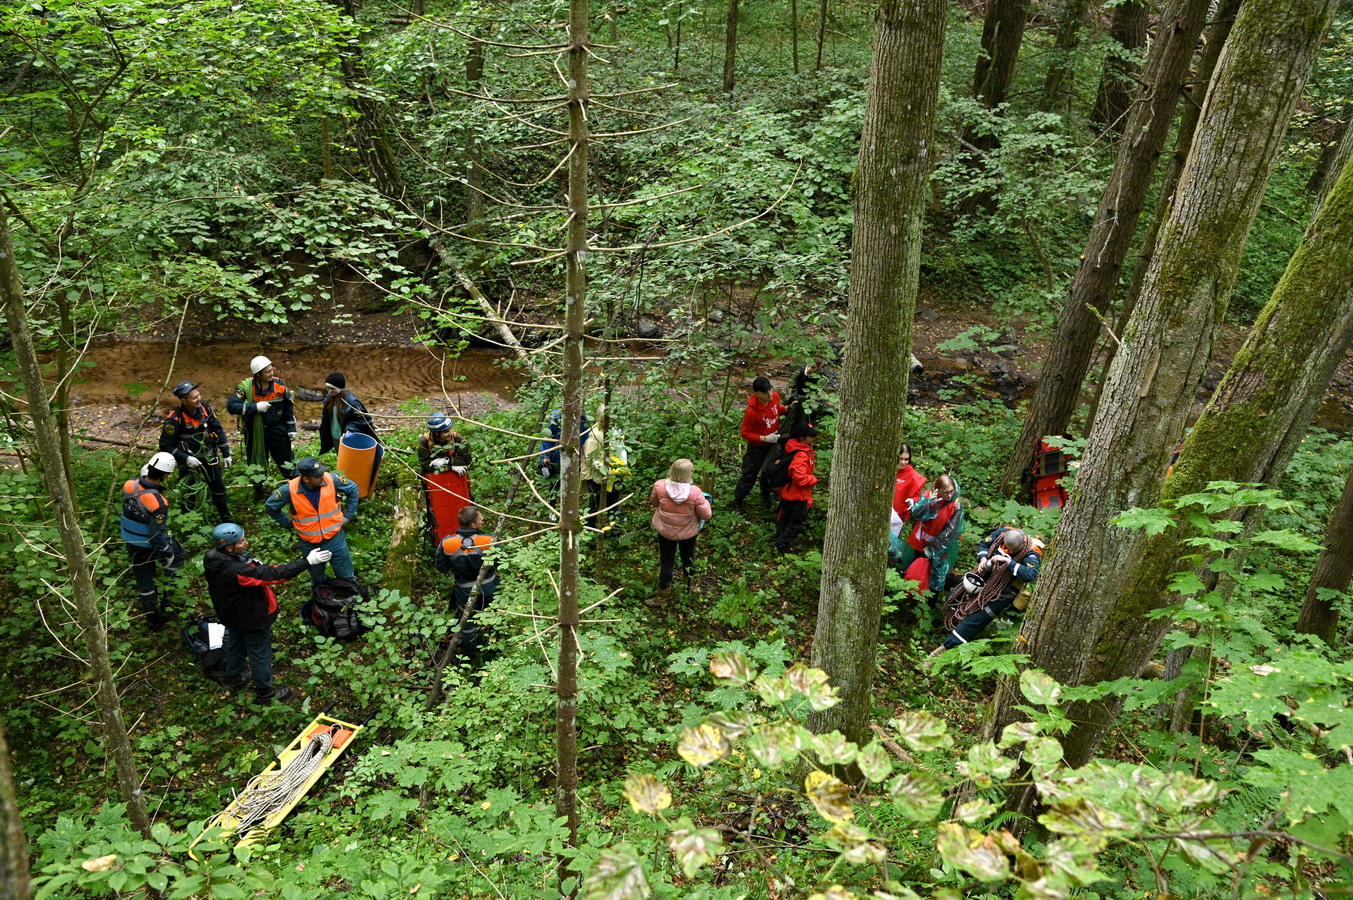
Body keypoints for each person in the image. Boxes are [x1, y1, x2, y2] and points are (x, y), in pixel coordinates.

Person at [204, 522, 331, 702]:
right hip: (251, 617)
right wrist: (307, 562)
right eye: (241, 542)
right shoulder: (237, 571)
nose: (246, 543)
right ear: (228, 547)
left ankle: (234, 677)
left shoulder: (212, 558)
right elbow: (273, 575)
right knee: (260, 653)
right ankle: (265, 692)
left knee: (236, 643)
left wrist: (250, 563)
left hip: (230, 613)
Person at [933, 526, 1043, 655]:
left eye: (1014, 550)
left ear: (1023, 543)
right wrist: (983, 559)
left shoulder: (1032, 551)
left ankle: (942, 652)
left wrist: (1008, 561)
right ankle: (951, 626)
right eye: (1008, 548)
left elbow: (1030, 574)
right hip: (985, 576)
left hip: (1003, 591)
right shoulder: (1002, 533)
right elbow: (984, 544)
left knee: (975, 620)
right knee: (955, 597)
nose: (1010, 551)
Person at [264, 457, 360, 586]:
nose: (322, 477)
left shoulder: (332, 479)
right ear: (306, 479)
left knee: (346, 575)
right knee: (317, 576)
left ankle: (350, 593)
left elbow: (353, 488)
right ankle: (321, 595)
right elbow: (271, 506)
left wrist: (348, 515)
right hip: (309, 542)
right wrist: (288, 523)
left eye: (322, 473)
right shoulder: (289, 490)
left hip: (335, 538)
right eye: (318, 476)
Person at [120, 452, 186, 630]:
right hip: (149, 542)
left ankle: (152, 618)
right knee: (178, 556)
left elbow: (139, 483)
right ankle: (171, 601)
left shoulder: (128, 485)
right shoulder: (158, 502)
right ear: (165, 475)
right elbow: (156, 534)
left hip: (132, 540)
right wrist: (167, 552)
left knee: (144, 578)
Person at [160, 380, 233, 522]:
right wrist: (185, 458)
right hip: (189, 463)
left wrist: (226, 453)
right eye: (194, 398)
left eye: (198, 395)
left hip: (210, 457)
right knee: (190, 493)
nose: (198, 399)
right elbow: (165, 445)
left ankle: (225, 518)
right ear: (183, 400)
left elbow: (217, 430)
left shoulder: (206, 409)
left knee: (218, 488)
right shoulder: (174, 419)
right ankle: (189, 523)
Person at [227, 355, 296, 498]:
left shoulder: (280, 386)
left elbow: (288, 408)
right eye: (267, 372)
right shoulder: (246, 388)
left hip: (277, 429)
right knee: (256, 461)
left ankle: (295, 488)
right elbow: (232, 406)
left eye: (271, 370)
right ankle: (259, 491)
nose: (271, 373)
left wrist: (291, 428)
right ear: (258, 374)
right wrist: (255, 407)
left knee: (286, 461)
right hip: (255, 432)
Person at [434, 505, 499, 654]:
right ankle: (495, 652)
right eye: (480, 518)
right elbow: (500, 561)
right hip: (490, 586)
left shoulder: (446, 543)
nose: (483, 519)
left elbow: (441, 567)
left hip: (464, 590)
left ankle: (471, 655)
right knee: (495, 616)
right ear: (473, 525)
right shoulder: (489, 540)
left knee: (468, 622)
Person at [891, 473, 964, 597]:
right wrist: (929, 504)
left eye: (952, 491)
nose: (949, 495)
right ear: (937, 490)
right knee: (912, 568)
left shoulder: (955, 505)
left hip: (940, 546)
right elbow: (917, 515)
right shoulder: (927, 496)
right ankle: (907, 595)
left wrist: (933, 548)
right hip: (920, 539)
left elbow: (950, 531)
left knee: (935, 574)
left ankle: (930, 598)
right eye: (946, 492)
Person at [650, 458, 713, 598]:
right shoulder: (695, 492)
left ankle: (663, 593)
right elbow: (707, 515)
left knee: (666, 561)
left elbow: (654, 503)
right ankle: (688, 588)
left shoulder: (659, 486)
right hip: (688, 533)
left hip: (665, 531)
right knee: (688, 558)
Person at [732, 377, 784, 514]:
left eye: (770, 390)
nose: (769, 394)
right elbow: (745, 433)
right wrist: (764, 438)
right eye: (765, 392)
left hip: (773, 444)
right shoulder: (751, 412)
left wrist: (787, 408)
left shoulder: (775, 397)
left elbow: (777, 410)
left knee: (770, 471)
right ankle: (738, 500)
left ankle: (766, 496)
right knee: (749, 475)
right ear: (757, 394)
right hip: (757, 448)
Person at [772, 423, 820, 554]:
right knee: (799, 521)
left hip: (788, 491)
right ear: (802, 437)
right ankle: (782, 543)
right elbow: (799, 477)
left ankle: (779, 538)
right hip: (797, 494)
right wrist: (813, 479)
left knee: (786, 516)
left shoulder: (793, 447)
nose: (813, 438)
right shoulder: (801, 454)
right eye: (811, 436)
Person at [581, 405, 628, 517]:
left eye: (614, 418)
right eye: (610, 418)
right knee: (594, 506)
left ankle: (615, 526)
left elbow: (621, 451)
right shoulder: (595, 435)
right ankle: (590, 526)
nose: (613, 420)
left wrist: (620, 468)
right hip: (598, 477)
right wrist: (605, 470)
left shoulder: (615, 431)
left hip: (616, 474)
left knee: (614, 504)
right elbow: (590, 459)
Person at [319, 372, 378, 455]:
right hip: (335, 436)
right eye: (328, 388)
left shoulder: (352, 402)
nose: (329, 391)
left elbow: (364, 420)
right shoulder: (329, 399)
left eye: (332, 388)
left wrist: (351, 429)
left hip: (348, 438)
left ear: (339, 388)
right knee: (340, 456)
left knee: (350, 457)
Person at [892, 443, 926, 519]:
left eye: (906, 459)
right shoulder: (886, 471)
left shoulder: (913, 476)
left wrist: (912, 500)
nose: (903, 462)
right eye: (900, 459)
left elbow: (917, 496)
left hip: (899, 517)